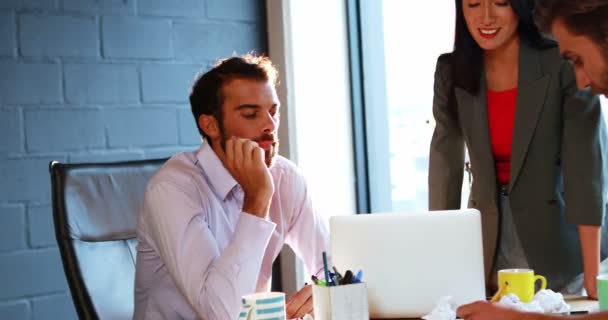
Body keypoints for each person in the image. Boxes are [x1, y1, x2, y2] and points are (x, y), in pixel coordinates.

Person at [429, 0, 606, 300]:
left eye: (500, 3)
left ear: (520, 6)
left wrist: (593, 274)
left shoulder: (564, 59)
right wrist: (440, 267)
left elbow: (585, 169)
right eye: (473, 4)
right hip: (486, 242)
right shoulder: (451, 70)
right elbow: (445, 166)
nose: (486, 17)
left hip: (560, 243)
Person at [133, 54, 330, 319]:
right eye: (251, 114)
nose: (270, 127)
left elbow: (333, 267)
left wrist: (322, 290)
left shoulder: (285, 176)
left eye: (274, 112)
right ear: (211, 125)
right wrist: (257, 199)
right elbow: (222, 313)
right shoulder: (173, 189)